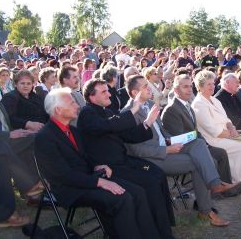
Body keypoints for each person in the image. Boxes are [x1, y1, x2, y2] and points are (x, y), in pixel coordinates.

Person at [35, 88, 161, 239]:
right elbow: (63, 175)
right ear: (58, 110)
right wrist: (100, 182)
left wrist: (96, 166)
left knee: (137, 192)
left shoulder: (72, 130)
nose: (77, 105)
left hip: (88, 178)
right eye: (72, 102)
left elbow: (84, 158)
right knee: (122, 198)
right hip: (71, 189)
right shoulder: (45, 137)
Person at [124, 75, 241, 226]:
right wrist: (167, 149)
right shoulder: (128, 114)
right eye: (145, 87)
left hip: (167, 145)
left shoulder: (149, 103)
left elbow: (162, 132)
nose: (150, 88)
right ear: (134, 93)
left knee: (199, 143)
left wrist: (175, 141)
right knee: (199, 163)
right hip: (154, 158)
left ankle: (214, 187)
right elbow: (136, 150)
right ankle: (207, 208)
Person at [77, 79, 175, 238]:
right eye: (104, 92)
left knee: (157, 174)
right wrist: (134, 109)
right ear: (91, 97)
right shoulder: (87, 113)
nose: (109, 93)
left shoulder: (107, 111)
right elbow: (106, 126)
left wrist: (148, 122)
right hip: (108, 168)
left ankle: (163, 227)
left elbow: (128, 135)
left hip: (123, 161)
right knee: (148, 184)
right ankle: (154, 233)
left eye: (108, 90)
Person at [191, 70, 241, 192]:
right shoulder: (198, 104)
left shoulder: (214, 100)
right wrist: (232, 135)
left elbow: (226, 119)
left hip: (227, 135)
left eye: (213, 83)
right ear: (200, 87)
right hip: (214, 140)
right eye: (208, 84)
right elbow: (212, 130)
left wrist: (232, 128)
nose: (212, 87)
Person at [162, 74, 233, 184]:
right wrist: (201, 143)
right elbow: (179, 137)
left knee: (221, 153)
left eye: (190, 86)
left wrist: (205, 144)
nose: (189, 90)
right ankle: (217, 187)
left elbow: (194, 130)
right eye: (185, 87)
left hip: (196, 143)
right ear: (176, 90)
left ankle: (226, 186)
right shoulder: (171, 109)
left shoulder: (187, 105)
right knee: (213, 159)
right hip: (183, 148)